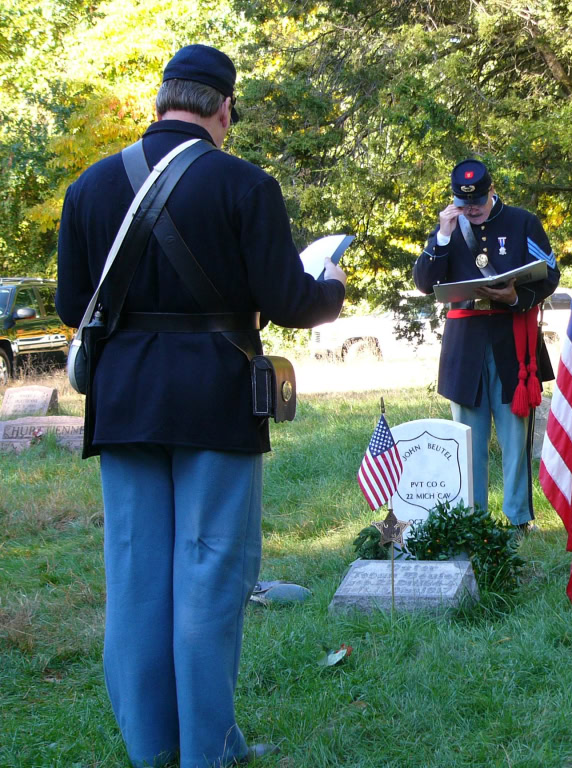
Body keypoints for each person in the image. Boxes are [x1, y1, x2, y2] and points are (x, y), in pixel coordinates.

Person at [56, 44, 347, 767]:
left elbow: (71, 305)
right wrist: (331, 285)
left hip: (124, 403)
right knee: (211, 576)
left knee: (135, 579)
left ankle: (152, 747)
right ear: (224, 109)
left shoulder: (89, 187)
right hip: (216, 398)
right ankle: (208, 750)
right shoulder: (246, 184)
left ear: (160, 104)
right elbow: (289, 300)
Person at [414, 159, 560, 531]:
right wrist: (443, 236)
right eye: (464, 204)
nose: (472, 209)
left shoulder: (522, 222)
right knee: (468, 440)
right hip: (466, 347)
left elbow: (550, 274)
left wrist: (515, 295)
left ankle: (518, 519)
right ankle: (474, 520)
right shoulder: (447, 228)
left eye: (478, 200)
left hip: (513, 341)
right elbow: (424, 282)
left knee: (515, 437)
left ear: (491, 191)